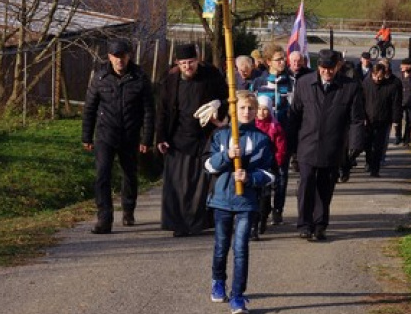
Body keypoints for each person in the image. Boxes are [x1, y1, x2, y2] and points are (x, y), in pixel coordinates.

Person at [204, 90, 275, 314]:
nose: (246, 112)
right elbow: (208, 166)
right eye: (242, 108)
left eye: (250, 109)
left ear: (256, 112)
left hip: (246, 202)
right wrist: (227, 156)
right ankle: (217, 281)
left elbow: (270, 174)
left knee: (241, 248)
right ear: (233, 110)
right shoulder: (220, 135)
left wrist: (251, 177)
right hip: (222, 200)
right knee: (221, 246)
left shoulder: (262, 139)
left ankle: (238, 295)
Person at [289, 49, 365, 240]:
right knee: (306, 183)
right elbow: (294, 116)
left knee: (325, 186)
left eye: (331, 68)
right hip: (307, 144)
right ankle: (304, 224)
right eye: (324, 68)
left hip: (333, 146)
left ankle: (320, 224)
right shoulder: (304, 83)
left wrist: (354, 145)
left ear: (338, 67)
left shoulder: (350, 87)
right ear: (318, 67)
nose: (327, 72)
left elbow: (356, 119)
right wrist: (292, 147)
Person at [82, 39, 155, 234]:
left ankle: (128, 209)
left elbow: (149, 110)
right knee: (102, 174)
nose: (119, 60)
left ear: (129, 56)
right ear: (109, 57)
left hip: (130, 134)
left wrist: (146, 139)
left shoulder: (140, 78)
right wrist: (86, 136)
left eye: (122, 56)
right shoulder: (100, 78)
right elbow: (90, 108)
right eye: (115, 56)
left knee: (130, 174)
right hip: (105, 134)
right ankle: (104, 218)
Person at [156, 43, 228, 237]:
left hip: (205, 136)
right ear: (177, 63)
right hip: (178, 138)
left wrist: (218, 105)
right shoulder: (170, 81)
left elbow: (226, 97)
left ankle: (199, 222)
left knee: (201, 184)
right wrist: (161, 137)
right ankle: (179, 224)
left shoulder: (211, 76)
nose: (188, 67)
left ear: (198, 60)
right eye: (183, 63)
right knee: (178, 184)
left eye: (191, 62)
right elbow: (162, 111)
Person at [251, 43, 293, 226]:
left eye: (284, 58)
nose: (283, 61)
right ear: (269, 62)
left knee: (281, 175)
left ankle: (278, 209)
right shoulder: (259, 82)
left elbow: (296, 108)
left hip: (283, 135)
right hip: (262, 136)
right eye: (279, 59)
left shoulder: (291, 82)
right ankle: (263, 209)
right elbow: (251, 107)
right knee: (263, 174)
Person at [251, 95, 287, 240]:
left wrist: (277, 162)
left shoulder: (275, 126)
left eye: (265, 109)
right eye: (259, 109)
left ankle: (263, 218)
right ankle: (254, 223)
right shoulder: (252, 125)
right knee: (253, 195)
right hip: (253, 165)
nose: (262, 112)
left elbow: (281, 147)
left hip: (269, 165)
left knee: (265, 195)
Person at [362, 63, 402, 177]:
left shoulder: (391, 86)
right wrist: (362, 117)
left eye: (380, 76)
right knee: (368, 144)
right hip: (368, 120)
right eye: (375, 76)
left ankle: (375, 169)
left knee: (379, 146)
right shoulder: (366, 83)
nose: (377, 79)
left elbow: (395, 104)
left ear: (384, 75)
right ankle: (368, 162)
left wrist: (395, 120)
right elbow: (361, 101)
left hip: (383, 120)